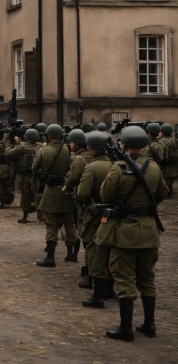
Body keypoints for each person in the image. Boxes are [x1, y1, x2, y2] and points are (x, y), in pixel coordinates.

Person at [95, 126, 167, 341]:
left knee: (124, 279)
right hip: (149, 230)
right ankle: (149, 325)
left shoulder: (118, 168)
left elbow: (105, 194)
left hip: (125, 231)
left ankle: (126, 328)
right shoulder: (154, 167)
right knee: (147, 278)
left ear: (123, 143)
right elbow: (163, 193)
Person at [75, 131, 113, 308]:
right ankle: (110, 288)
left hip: (95, 213)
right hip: (112, 213)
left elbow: (82, 194)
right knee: (110, 249)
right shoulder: (115, 165)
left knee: (93, 248)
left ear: (90, 147)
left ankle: (98, 292)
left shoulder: (92, 167)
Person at [32, 124, 75, 267]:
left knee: (51, 224)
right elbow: (71, 167)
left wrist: (43, 175)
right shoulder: (67, 150)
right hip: (65, 189)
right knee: (69, 223)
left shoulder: (43, 150)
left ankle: (50, 256)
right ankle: (70, 253)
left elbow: (34, 168)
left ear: (49, 136)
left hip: (50, 190)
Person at [63, 128, 92, 280]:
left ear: (77, 143)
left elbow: (73, 177)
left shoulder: (79, 159)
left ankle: (86, 264)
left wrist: (66, 186)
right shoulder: (96, 157)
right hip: (97, 200)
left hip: (82, 198)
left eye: (71, 142)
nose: (69, 144)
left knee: (80, 228)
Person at [6, 128, 39, 223]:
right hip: (37, 175)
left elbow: (9, 153)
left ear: (27, 138)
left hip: (26, 174)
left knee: (25, 195)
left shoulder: (22, 147)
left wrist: (9, 141)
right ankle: (40, 211)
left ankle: (25, 215)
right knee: (37, 194)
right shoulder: (41, 147)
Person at [158, 123, 177, 197]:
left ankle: (167, 193)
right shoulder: (174, 140)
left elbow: (161, 156)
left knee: (165, 182)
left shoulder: (162, 141)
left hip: (165, 166)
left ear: (162, 132)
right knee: (170, 181)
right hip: (173, 166)